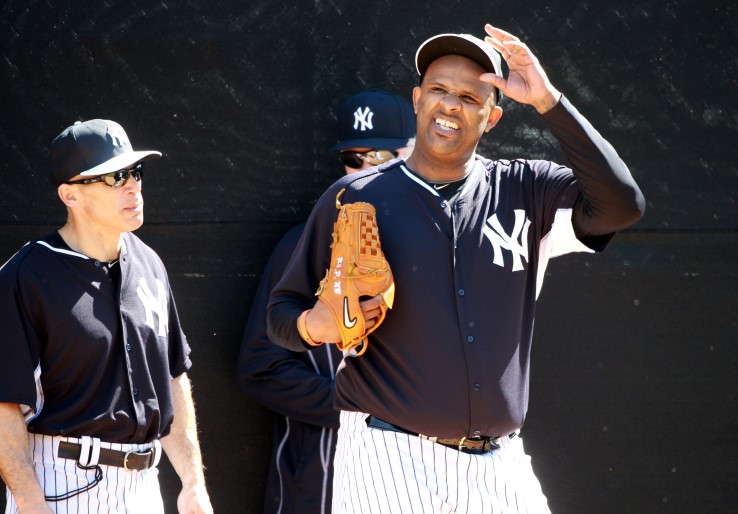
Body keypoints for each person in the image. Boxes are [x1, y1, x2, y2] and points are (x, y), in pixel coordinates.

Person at [266, 24, 646, 514]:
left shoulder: (527, 188)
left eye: (470, 97)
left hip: (499, 465)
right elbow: (281, 315)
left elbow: (623, 205)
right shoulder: (356, 197)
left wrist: (550, 100)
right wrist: (312, 326)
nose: (450, 105)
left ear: (493, 117)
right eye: (440, 90)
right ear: (418, 98)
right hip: (388, 458)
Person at [0, 119, 214, 514]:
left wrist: (193, 482)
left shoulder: (149, 263)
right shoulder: (25, 275)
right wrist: (29, 500)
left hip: (145, 486)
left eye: (135, 172)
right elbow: (3, 404)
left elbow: (172, 376)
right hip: (62, 480)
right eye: (114, 177)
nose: (133, 185)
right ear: (70, 195)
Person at [237, 89, 415, 514]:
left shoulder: (440, 247)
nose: (364, 168)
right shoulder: (307, 243)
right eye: (355, 158)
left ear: (413, 151)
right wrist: (356, 408)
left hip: (418, 470)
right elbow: (261, 367)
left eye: (380, 156)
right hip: (323, 471)